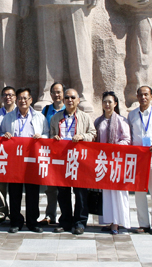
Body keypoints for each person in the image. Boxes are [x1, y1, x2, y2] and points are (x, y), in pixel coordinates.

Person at [0, 87, 49, 233]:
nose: (22, 101)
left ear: (31, 100)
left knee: (32, 192)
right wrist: (5, 136)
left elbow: (47, 134)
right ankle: (15, 221)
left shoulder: (39, 117)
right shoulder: (8, 117)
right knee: (14, 192)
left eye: (25, 98)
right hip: (14, 160)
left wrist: (41, 137)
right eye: (20, 98)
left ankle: (32, 221)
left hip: (32, 160)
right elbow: (0, 133)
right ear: (16, 100)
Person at [50, 88, 96, 235]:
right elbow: (50, 135)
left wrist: (82, 136)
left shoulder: (85, 117)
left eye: (73, 97)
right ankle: (65, 222)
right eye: (67, 97)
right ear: (63, 100)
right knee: (63, 193)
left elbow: (93, 134)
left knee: (81, 193)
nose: (70, 100)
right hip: (62, 160)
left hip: (79, 160)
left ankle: (80, 222)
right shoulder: (56, 118)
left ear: (78, 100)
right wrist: (54, 138)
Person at [126, 86, 152, 235]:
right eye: (140, 95)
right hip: (138, 157)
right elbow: (129, 134)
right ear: (137, 97)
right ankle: (143, 223)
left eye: (146, 95)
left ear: (151, 96)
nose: (143, 97)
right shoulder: (132, 115)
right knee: (139, 191)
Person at [93, 91, 131, 235]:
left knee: (117, 193)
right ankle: (109, 221)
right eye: (105, 101)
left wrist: (113, 148)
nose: (107, 104)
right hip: (103, 161)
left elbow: (127, 139)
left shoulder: (121, 120)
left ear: (115, 104)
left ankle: (116, 223)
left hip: (117, 161)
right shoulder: (98, 121)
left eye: (110, 102)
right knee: (106, 193)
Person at [39, 82, 65, 225]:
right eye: (54, 92)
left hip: (65, 154)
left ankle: (66, 216)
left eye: (59, 92)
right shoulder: (46, 109)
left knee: (64, 188)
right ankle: (50, 215)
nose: (56, 95)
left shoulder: (68, 108)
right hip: (50, 153)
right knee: (50, 188)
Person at [0, 86, 16, 225]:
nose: (8, 97)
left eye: (11, 95)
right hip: (0, 154)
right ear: (2, 97)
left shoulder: (19, 113)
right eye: (5, 95)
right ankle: (1, 213)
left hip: (16, 155)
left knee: (15, 185)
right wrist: (2, 135)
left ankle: (15, 212)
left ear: (15, 97)